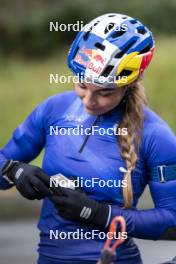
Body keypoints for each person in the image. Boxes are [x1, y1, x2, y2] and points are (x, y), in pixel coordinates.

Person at [0, 13, 176, 264]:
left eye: (105, 92)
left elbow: (173, 222)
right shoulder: (54, 110)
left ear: (130, 82)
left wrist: (99, 214)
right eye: (82, 85)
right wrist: (13, 170)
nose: (89, 101)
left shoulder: (155, 135)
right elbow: (3, 162)